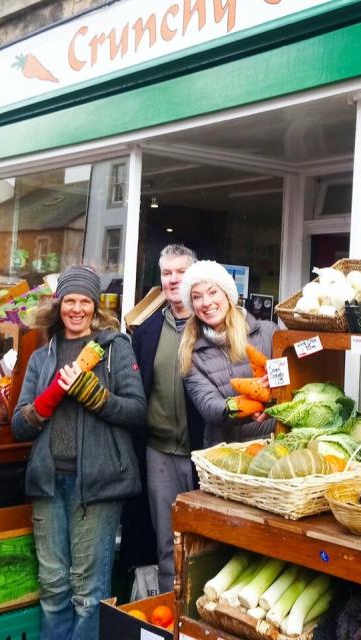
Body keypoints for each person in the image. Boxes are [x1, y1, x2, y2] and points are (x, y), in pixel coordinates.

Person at [11, 266, 146, 640]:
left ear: (95, 306)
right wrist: (40, 407)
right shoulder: (42, 357)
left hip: (99, 485)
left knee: (88, 593)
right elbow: (21, 425)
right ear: (59, 306)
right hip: (48, 483)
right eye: (69, 300)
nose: (76, 309)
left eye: (85, 301)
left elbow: (136, 410)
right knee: (53, 588)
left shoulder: (113, 348)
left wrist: (95, 395)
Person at [129, 244, 205, 595]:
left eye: (181, 272)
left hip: (203, 452)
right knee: (165, 538)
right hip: (158, 451)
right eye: (167, 273)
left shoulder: (210, 326)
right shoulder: (144, 333)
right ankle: (165, 609)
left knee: (204, 538)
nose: (173, 279)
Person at [179, 260, 276, 447]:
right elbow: (208, 405)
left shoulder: (267, 333)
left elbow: (292, 382)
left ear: (228, 294)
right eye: (197, 297)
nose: (206, 303)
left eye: (213, 292)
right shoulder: (190, 350)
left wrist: (275, 390)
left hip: (270, 449)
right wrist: (243, 407)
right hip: (222, 456)